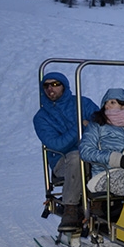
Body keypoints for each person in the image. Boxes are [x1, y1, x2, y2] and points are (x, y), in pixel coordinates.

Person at [34, 72, 99, 232]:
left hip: (91, 154)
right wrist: (80, 126)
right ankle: (70, 208)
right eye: (46, 85)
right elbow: (57, 144)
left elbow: (101, 123)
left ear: (64, 86)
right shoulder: (41, 117)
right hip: (63, 161)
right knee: (76, 156)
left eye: (55, 84)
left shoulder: (83, 103)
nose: (51, 89)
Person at [79, 88, 124, 197]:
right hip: (105, 174)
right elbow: (86, 151)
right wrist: (116, 159)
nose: (107, 106)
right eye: (106, 103)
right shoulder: (97, 126)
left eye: (112, 102)